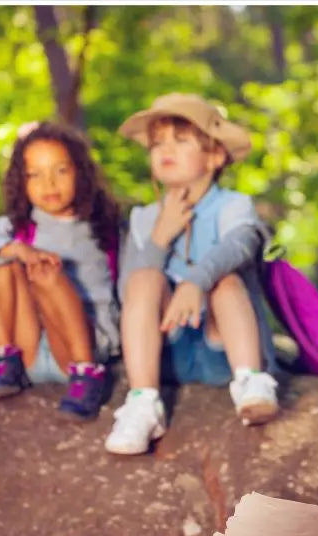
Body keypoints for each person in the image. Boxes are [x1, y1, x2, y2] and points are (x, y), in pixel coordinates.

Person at [105, 93, 279, 455]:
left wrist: (195, 281)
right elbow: (128, 295)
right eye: (157, 143)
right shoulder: (142, 219)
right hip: (169, 352)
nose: (165, 149)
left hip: (223, 349)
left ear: (215, 156)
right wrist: (160, 236)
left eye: (180, 140)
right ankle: (143, 401)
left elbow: (242, 246)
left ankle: (251, 380)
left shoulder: (234, 205)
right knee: (143, 279)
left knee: (225, 280)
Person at [0, 121, 121, 419]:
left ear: (80, 172)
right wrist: (15, 249)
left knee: (49, 274)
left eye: (61, 171)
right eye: (35, 175)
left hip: (76, 349)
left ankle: (86, 377)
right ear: (22, 182)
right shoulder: (20, 228)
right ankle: (5, 364)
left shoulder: (105, 230)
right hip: (29, 351)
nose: (49, 184)